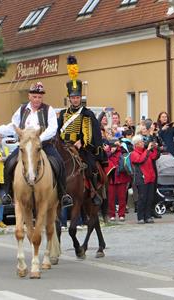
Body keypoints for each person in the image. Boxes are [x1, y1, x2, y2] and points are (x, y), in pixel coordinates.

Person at [0, 81, 73, 208]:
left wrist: (39, 139)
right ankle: (8, 194)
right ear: (29, 96)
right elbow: (13, 126)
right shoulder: (22, 109)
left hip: (44, 145)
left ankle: (62, 194)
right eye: (34, 96)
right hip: (26, 146)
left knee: (59, 162)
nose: (37, 99)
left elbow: (52, 128)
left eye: (39, 97)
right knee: (9, 162)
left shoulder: (48, 110)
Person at [57, 55, 106, 206]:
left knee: (91, 166)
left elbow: (91, 131)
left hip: (82, 146)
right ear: (69, 98)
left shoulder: (87, 113)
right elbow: (58, 130)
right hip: (65, 145)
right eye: (73, 97)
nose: (75, 100)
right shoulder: (64, 114)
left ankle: (94, 191)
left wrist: (82, 142)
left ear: (80, 98)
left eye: (78, 97)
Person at [130, 134, 159, 224]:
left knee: (150, 198)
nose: (143, 143)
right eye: (141, 142)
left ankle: (148, 216)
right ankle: (140, 217)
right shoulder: (133, 154)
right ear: (136, 144)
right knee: (142, 198)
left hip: (150, 177)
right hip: (141, 179)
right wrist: (147, 150)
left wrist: (154, 148)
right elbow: (140, 160)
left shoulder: (146, 151)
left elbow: (154, 156)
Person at [104, 139, 131, 221]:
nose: (113, 148)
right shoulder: (106, 153)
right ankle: (111, 214)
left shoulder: (122, 152)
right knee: (111, 198)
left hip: (121, 177)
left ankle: (121, 214)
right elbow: (104, 160)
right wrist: (109, 152)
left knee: (122, 197)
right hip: (111, 178)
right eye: (112, 146)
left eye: (115, 146)